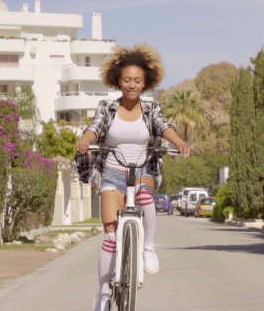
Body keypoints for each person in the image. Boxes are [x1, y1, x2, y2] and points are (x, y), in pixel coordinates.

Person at [74, 43, 191, 311]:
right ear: (118, 80)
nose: (132, 84)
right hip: (112, 174)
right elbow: (95, 128)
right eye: (127, 79)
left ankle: (148, 247)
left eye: (137, 80)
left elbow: (165, 128)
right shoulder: (107, 107)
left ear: (145, 82)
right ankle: (103, 294)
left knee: (144, 196)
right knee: (110, 237)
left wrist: (180, 142)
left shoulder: (151, 108)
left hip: (143, 171)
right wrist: (85, 139)